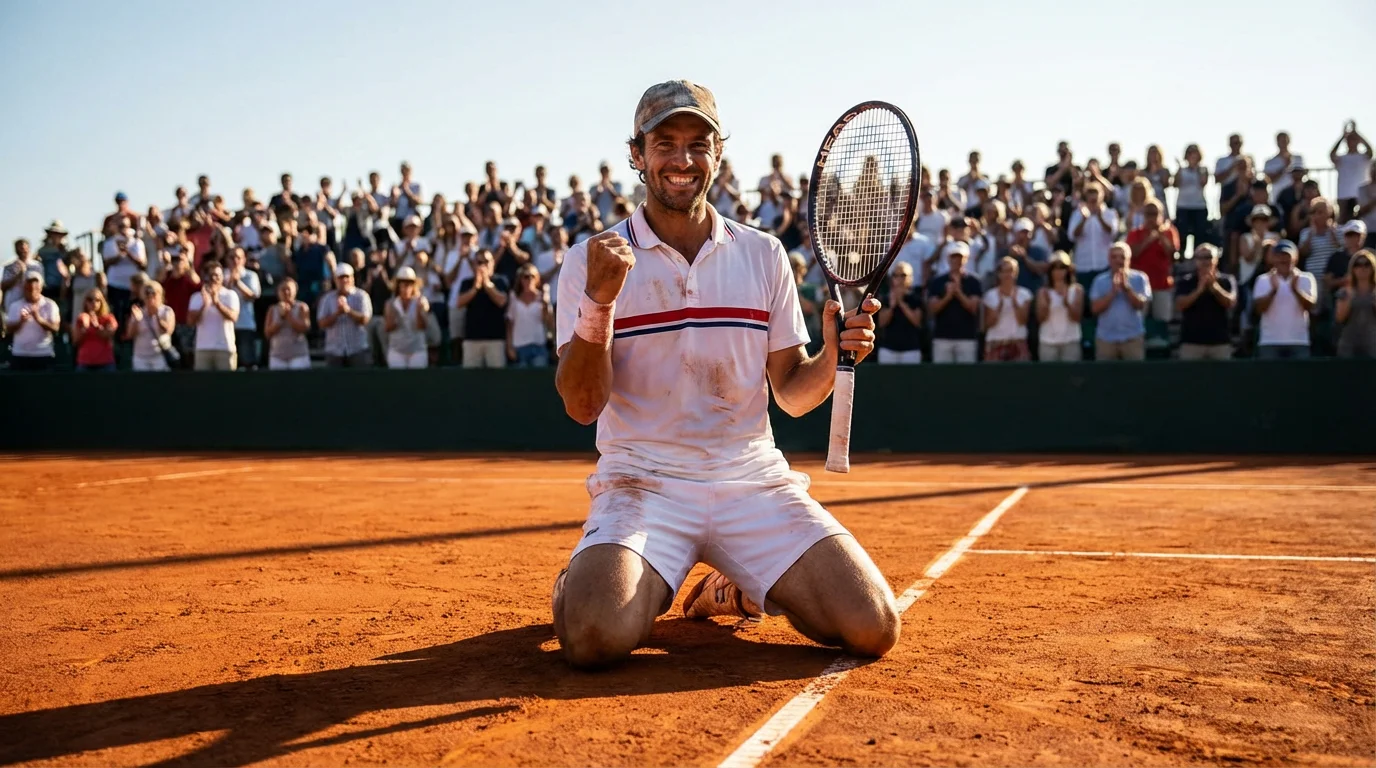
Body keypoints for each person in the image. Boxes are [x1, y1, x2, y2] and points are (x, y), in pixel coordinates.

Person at [552, 80, 897, 669]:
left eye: (698, 143)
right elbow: (583, 406)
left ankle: (733, 586)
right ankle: (582, 575)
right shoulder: (592, 259)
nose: (682, 160)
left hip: (751, 482)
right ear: (637, 154)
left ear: (718, 154)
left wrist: (835, 356)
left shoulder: (763, 255)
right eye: (665, 143)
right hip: (644, 485)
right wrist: (600, 306)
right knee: (591, 636)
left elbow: (789, 392)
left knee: (873, 626)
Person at [1125, 200, 1179, 348]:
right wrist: (1149, 239)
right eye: (1148, 214)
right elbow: (1133, 253)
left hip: (1161, 284)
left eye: (1155, 214)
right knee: (1139, 320)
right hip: (1139, 287)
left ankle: (1162, 348)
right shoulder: (1135, 234)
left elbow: (1172, 254)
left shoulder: (1169, 232)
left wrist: (1160, 235)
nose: (1152, 218)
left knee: (1162, 320)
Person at [1252, 240, 1316, 359]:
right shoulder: (1263, 280)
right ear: (1274, 259)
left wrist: (1296, 290)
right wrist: (1273, 291)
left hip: (1299, 341)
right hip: (1270, 342)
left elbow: (1310, 307)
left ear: (1295, 258)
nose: (1283, 260)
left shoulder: (1307, 278)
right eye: (1279, 256)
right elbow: (1259, 309)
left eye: (1287, 256)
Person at [1089, 243, 1151, 361]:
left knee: (1134, 378)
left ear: (1129, 260)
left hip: (1132, 338)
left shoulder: (1140, 278)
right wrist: (1112, 292)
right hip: (1105, 339)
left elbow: (1141, 305)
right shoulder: (1099, 281)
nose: (1118, 261)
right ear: (1109, 259)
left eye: (1122, 257)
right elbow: (1095, 309)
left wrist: (1126, 288)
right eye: (1114, 257)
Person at [1174, 244, 1237, 360]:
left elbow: (1231, 303)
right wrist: (1198, 290)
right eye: (1200, 257)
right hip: (1191, 342)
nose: (1204, 261)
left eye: (1208, 257)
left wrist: (1214, 288)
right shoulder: (1186, 281)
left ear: (1216, 259)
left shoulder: (1226, 280)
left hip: (1220, 342)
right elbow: (1179, 305)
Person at [925, 242, 983, 363]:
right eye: (953, 257)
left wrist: (958, 292)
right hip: (942, 338)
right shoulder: (938, 281)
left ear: (966, 259)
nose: (956, 260)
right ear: (948, 258)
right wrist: (948, 296)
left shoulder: (973, 281)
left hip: (966, 338)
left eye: (960, 257)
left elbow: (973, 308)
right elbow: (932, 310)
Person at [456, 249, 509, 369]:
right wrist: (475, 287)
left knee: (497, 378)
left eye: (487, 262)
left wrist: (486, 283)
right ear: (474, 264)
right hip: (472, 339)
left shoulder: (500, 281)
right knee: (470, 379)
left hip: (495, 339)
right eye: (479, 262)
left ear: (493, 263)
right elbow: (459, 303)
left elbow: (502, 301)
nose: (483, 265)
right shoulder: (467, 283)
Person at [317, 263, 373, 367]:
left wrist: (348, 311)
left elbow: (365, 319)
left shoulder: (361, 296)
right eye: (341, 278)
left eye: (347, 277)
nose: (344, 281)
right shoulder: (327, 299)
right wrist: (337, 314)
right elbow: (322, 323)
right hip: (334, 351)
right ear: (335, 280)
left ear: (352, 278)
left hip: (357, 348)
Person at [186, 263, 240, 371]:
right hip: (202, 348)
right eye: (210, 275)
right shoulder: (196, 297)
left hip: (224, 348)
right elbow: (190, 321)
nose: (214, 279)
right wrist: (203, 306)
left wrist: (217, 303)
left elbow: (233, 317)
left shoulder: (230, 295)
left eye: (217, 275)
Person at [981, 257, 1032, 362]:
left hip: (1018, 342)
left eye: (1011, 271)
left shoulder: (1025, 294)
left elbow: (1022, 320)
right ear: (999, 274)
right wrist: (999, 306)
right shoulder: (990, 295)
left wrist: (1014, 302)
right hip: (996, 342)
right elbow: (989, 323)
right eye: (1004, 271)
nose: (1008, 275)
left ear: (1016, 273)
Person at [6, 274, 60, 371]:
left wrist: (38, 318)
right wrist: (21, 321)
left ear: (40, 289)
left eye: (34, 289)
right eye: (27, 289)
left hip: (43, 354)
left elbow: (55, 328)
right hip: (20, 354)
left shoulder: (50, 305)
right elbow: (9, 329)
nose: (31, 292)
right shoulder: (15, 305)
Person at [1036, 252, 1083, 361]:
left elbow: (1076, 318)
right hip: (1048, 341)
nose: (1058, 271)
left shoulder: (1077, 290)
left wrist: (1067, 303)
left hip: (1071, 341)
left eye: (1062, 267)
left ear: (1068, 270)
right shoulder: (1043, 292)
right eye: (1054, 268)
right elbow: (1041, 319)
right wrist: (1047, 304)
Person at [1068, 182, 1119, 284]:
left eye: (1095, 197)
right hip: (1083, 266)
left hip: (1104, 265)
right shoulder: (1077, 214)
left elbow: (1113, 233)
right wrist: (1083, 220)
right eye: (1090, 197)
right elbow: (1072, 236)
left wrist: (1100, 218)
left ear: (1102, 196)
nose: (1093, 201)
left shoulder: (1110, 213)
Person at [506, 263, 553, 367]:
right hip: (519, 346)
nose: (529, 280)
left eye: (532, 276)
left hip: (538, 345)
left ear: (537, 279)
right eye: (526, 277)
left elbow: (548, 321)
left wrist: (546, 301)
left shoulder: (542, 298)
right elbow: (510, 323)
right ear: (520, 279)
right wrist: (509, 347)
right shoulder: (514, 297)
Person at [876, 262, 923, 364]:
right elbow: (881, 323)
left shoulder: (915, 298)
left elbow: (917, 322)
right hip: (888, 349)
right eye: (895, 275)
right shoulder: (885, 299)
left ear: (910, 278)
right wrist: (892, 306)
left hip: (911, 349)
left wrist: (901, 303)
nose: (899, 279)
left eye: (903, 275)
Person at [383, 266, 429, 369]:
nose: (406, 287)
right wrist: (393, 314)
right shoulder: (390, 304)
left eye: (409, 284)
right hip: (397, 351)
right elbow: (388, 328)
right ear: (398, 286)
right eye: (403, 284)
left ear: (414, 285)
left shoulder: (421, 301)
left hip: (417, 350)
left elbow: (422, 327)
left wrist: (418, 311)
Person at [223, 248, 261, 369]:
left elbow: (253, 296)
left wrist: (237, 282)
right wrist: (228, 282)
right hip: (225, 325)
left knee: (247, 362)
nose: (235, 260)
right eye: (232, 257)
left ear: (244, 260)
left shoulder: (251, 275)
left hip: (245, 324)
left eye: (238, 257)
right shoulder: (221, 275)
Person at [126, 281, 176, 372]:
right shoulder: (138, 312)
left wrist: (157, 316)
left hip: (159, 356)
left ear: (160, 294)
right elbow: (130, 334)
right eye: (146, 293)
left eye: (153, 293)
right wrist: (136, 321)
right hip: (140, 358)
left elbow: (168, 331)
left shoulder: (166, 311)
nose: (150, 297)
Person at [1335, 250, 1376, 358]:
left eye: (1367, 264)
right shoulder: (1344, 292)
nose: (1362, 268)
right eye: (1358, 264)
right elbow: (1339, 318)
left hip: (1372, 343)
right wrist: (1350, 297)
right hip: (1349, 343)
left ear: (1372, 268)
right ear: (1352, 269)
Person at [264, 278, 311, 370]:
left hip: (298, 355)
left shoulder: (302, 307)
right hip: (277, 356)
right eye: (283, 289)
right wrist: (280, 318)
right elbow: (267, 333)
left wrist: (288, 316)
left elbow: (305, 328)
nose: (286, 292)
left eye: (288, 289)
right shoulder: (272, 309)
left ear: (295, 291)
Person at [1331, 121, 1372, 223]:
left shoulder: (1364, 157)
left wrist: (1357, 133)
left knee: (1363, 221)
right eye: (1349, 140)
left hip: (1361, 195)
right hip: (1343, 195)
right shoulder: (1341, 158)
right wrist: (1342, 136)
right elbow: (1331, 154)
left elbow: (1370, 151)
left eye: (1354, 140)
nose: (1352, 142)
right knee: (1343, 222)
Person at [1173, 144, 1210, 252]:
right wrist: (1179, 169)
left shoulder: (1203, 169)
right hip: (1183, 206)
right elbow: (1175, 184)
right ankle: (1181, 258)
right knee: (1182, 235)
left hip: (1199, 206)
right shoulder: (1182, 170)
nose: (1192, 155)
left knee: (1199, 235)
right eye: (1190, 153)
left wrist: (1196, 168)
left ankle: (1197, 257)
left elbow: (1203, 182)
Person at [71, 288, 118, 371]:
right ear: (85, 302)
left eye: (97, 300)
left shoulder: (109, 318)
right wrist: (84, 328)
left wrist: (96, 326)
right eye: (90, 300)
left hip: (105, 362)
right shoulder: (82, 318)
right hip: (85, 363)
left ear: (102, 302)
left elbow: (109, 334)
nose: (93, 303)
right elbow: (75, 340)